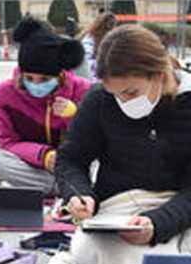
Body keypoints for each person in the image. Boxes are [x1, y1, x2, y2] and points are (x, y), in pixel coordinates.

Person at [58, 25, 191, 246]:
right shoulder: (99, 100)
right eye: (115, 94)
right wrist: (78, 195)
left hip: (179, 208)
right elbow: (71, 158)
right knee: (92, 252)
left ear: (159, 75)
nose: (124, 102)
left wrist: (157, 224)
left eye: (131, 93)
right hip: (118, 208)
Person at [0, 17, 91, 194]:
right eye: (29, 78)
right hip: (31, 162)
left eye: (45, 79)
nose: (36, 84)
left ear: (59, 74)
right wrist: (43, 156)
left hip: (72, 164)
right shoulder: (6, 93)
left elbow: (93, 140)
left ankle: (61, 186)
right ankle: (65, 188)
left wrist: (74, 115)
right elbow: (8, 142)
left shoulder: (82, 89)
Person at [75, 12, 117, 80]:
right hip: (89, 80)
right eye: (109, 26)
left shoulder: (105, 39)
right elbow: (87, 62)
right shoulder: (89, 39)